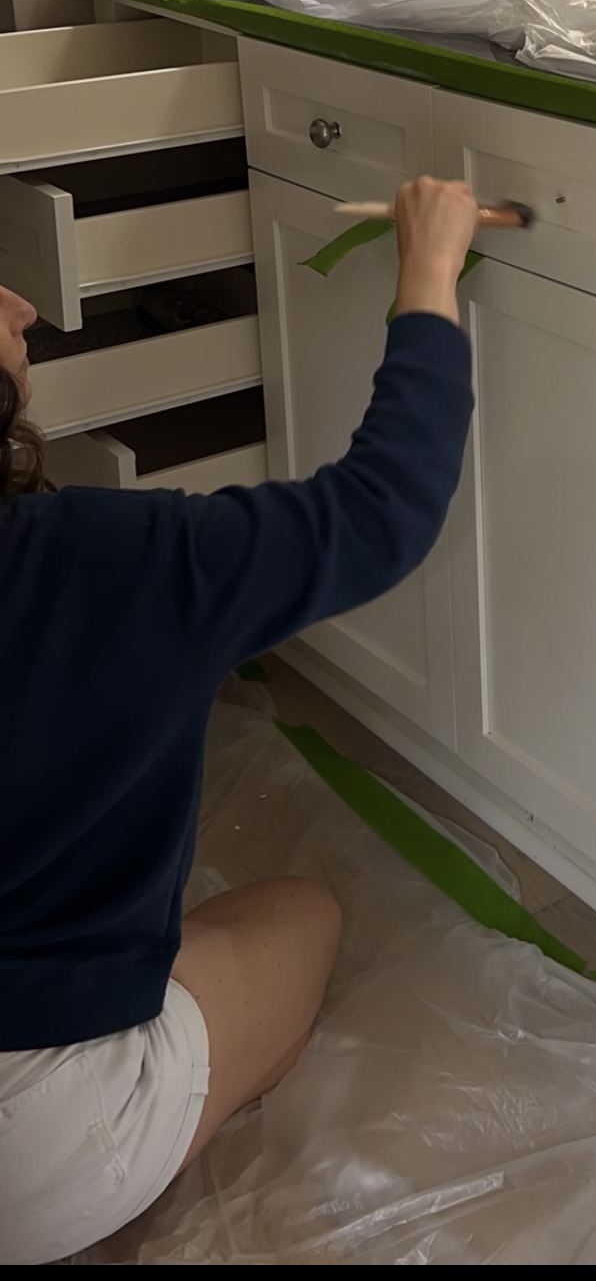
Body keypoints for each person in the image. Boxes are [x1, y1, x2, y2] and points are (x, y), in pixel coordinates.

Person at [0, 177, 479, 1265]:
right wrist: (430, 269)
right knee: (299, 914)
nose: (24, 305)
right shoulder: (114, 560)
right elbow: (382, 509)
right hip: (32, 1152)